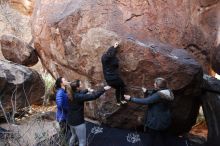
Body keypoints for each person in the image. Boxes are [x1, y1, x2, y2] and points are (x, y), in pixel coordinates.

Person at [124, 77, 174, 146]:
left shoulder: (159, 95)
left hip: (156, 121)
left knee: (152, 137)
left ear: (158, 85)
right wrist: (147, 91)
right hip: (165, 118)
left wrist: (131, 98)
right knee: (163, 136)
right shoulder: (168, 91)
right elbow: (155, 94)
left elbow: (147, 101)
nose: (153, 84)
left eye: (155, 83)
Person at [67, 80, 111, 146]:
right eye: (80, 84)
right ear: (77, 87)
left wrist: (87, 90)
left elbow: (80, 92)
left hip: (70, 120)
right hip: (78, 122)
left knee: (73, 135)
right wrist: (104, 89)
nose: (82, 85)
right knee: (82, 142)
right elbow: (93, 96)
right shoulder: (78, 97)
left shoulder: (70, 94)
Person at [101, 42, 127, 106]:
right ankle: (122, 99)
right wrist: (114, 48)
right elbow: (112, 56)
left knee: (118, 88)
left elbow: (110, 54)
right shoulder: (113, 62)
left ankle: (118, 101)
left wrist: (114, 47)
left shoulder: (103, 58)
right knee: (122, 86)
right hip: (114, 78)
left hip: (108, 79)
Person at [55, 77, 71, 145]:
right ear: (61, 83)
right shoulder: (60, 92)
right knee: (63, 134)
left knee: (70, 132)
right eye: (64, 80)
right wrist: (68, 109)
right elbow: (60, 105)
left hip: (66, 116)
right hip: (62, 117)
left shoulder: (64, 91)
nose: (66, 81)